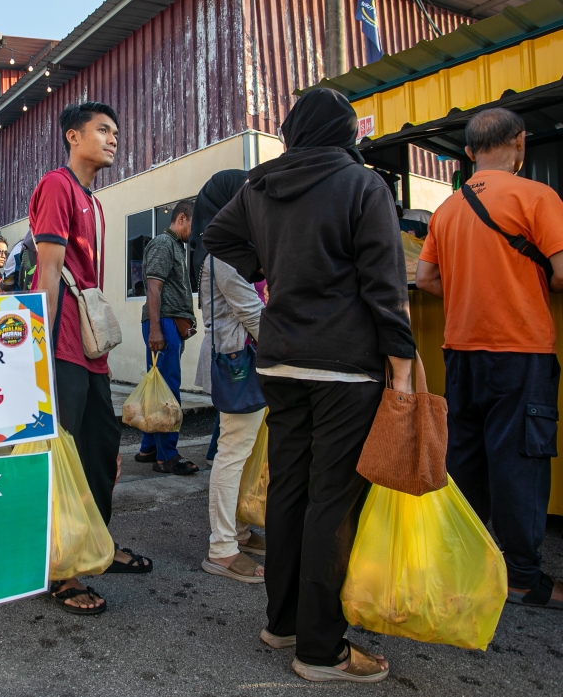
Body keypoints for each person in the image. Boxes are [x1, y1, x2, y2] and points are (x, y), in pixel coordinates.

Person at [204, 88, 416, 683]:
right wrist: (401, 359)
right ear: (345, 132)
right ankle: (321, 650)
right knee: (333, 499)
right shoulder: (362, 185)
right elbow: (383, 280)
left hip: (279, 359)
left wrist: (272, 265)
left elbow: (214, 236)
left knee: (290, 489)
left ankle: (284, 622)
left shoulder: (259, 185)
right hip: (345, 363)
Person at [416, 107, 563, 611]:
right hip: (520, 352)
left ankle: (469, 565)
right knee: (519, 461)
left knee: (467, 460)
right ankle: (522, 578)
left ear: (469, 152)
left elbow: (427, 279)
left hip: (459, 351)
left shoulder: (447, 209)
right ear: (519, 143)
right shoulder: (538, 197)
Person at [31, 101, 152, 616]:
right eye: (103, 130)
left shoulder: (96, 203)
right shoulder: (57, 185)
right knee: (64, 455)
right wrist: (37, 354)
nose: (113, 138)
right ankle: (59, 568)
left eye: (116, 132)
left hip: (91, 348)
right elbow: (49, 272)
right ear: (72, 136)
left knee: (102, 452)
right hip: (60, 345)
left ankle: (96, 544)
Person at [190, 171, 268, 584]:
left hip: (242, 358)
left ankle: (236, 530)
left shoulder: (233, 248)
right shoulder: (224, 252)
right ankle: (221, 549)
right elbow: (250, 312)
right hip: (238, 361)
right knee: (233, 452)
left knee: (241, 449)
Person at [136, 199, 198, 474]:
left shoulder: (175, 245)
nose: (194, 233)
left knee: (157, 388)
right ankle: (167, 457)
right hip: (163, 323)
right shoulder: (164, 243)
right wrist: (156, 329)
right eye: (193, 225)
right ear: (182, 218)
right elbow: (153, 288)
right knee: (168, 392)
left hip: (168, 323)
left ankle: (149, 447)